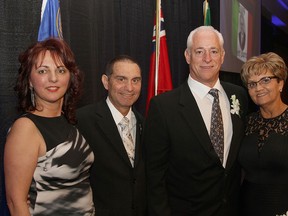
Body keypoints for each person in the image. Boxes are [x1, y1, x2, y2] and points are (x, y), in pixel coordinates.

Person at [144, 25, 248, 216]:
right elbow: (154, 176)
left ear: (223, 56)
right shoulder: (163, 107)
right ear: (187, 56)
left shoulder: (239, 95)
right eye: (199, 51)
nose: (207, 59)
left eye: (213, 51)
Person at [4, 38, 95, 215]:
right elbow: (16, 203)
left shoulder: (68, 122)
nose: (53, 78)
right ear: (29, 80)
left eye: (61, 70)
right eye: (43, 71)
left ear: (70, 77)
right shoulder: (25, 128)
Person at [76, 55, 146, 216]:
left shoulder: (146, 124)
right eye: (121, 79)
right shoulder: (82, 120)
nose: (129, 87)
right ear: (106, 82)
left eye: (135, 80)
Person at [239, 52, 288, 216]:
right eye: (252, 84)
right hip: (246, 208)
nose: (258, 88)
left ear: (280, 83)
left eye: (265, 80)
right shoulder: (247, 122)